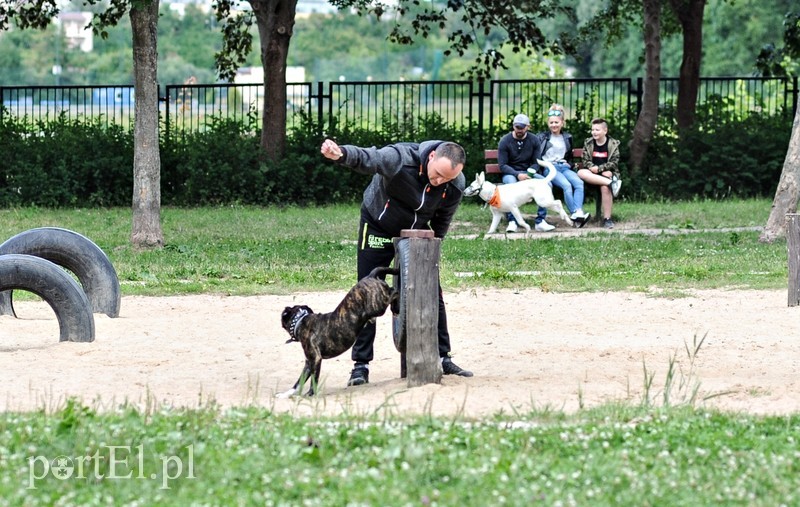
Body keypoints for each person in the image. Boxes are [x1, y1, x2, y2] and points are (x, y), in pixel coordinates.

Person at [320, 138, 474, 386]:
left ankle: (442, 356)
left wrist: (433, 247)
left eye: (446, 179)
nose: (439, 182)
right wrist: (340, 154)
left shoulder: (455, 183)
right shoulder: (401, 159)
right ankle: (361, 365)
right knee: (368, 288)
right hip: (378, 224)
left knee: (431, 289)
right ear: (431, 157)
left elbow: (444, 217)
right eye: (437, 176)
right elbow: (369, 157)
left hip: (417, 232)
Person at [533, 104, 590, 228]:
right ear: (548, 123)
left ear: (562, 123)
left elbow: (569, 156)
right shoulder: (542, 137)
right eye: (551, 122)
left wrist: (568, 164)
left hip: (563, 167)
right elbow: (537, 155)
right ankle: (574, 213)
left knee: (579, 183)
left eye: (557, 122)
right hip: (550, 168)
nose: (554, 125)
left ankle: (578, 211)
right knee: (567, 185)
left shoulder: (567, 137)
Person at [496, 113, 555, 233]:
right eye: (517, 127)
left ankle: (541, 221)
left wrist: (530, 174)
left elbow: (536, 162)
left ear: (528, 127)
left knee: (547, 185)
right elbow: (503, 165)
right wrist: (518, 175)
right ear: (513, 126)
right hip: (511, 173)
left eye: (522, 127)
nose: (519, 130)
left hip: (528, 173)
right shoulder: (505, 141)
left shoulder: (534, 140)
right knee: (511, 185)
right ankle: (512, 221)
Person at [577, 118, 622, 229]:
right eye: (592, 130)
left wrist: (600, 169)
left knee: (605, 187)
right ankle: (612, 183)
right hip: (592, 174)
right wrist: (593, 168)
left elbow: (614, 162)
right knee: (581, 172)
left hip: (606, 173)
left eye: (597, 130)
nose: (594, 132)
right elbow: (585, 160)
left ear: (605, 131)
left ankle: (607, 219)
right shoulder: (588, 143)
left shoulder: (613, 144)